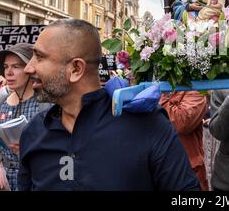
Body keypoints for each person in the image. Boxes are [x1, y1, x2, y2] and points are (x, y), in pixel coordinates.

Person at [19, 19, 200, 191]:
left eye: (39, 57)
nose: (28, 68)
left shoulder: (147, 126)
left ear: (76, 69)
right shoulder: (33, 133)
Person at [0, 43, 52, 191]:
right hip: (5, 183)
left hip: (38, 180)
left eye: (16, 66)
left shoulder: (47, 104)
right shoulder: (0, 104)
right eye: (6, 67)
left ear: (30, 69)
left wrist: (31, 146)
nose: (9, 72)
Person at [159, 91, 208, 191]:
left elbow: (182, 121)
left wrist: (161, 98)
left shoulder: (196, 92)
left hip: (188, 171)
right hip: (161, 169)